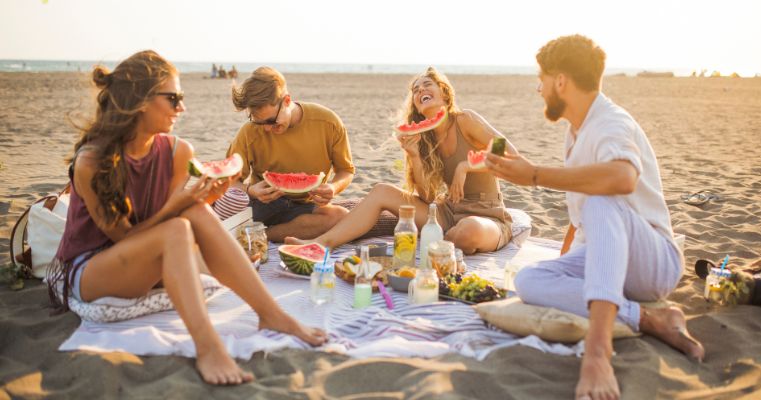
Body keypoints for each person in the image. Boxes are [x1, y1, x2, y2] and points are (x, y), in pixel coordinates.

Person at [48, 50, 326, 386]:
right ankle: (207, 346)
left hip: (146, 260)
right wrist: (176, 207)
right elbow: (124, 237)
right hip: (91, 269)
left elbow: (174, 219)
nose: (182, 108)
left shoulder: (178, 152)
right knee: (179, 225)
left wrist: (205, 199)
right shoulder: (92, 161)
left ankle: (271, 314)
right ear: (140, 101)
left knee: (192, 212)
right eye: (174, 98)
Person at [484, 35, 704, 400]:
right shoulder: (577, 131)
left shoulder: (611, 123)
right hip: (609, 255)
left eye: (542, 78)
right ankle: (650, 320)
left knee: (604, 200)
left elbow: (621, 179)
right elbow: (581, 217)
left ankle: (598, 354)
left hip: (654, 263)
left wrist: (535, 175)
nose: (538, 88)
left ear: (560, 81)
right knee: (529, 280)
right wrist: (565, 261)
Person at [287, 67, 516, 255]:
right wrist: (415, 155)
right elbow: (426, 197)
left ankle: (440, 240)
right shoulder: (424, 138)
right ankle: (321, 244)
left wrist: (465, 166)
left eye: (427, 85)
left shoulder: (465, 119)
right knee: (381, 190)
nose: (420, 90)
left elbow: (507, 149)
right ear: (416, 104)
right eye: (416, 90)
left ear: (444, 92)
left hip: (487, 214)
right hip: (447, 214)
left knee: (469, 231)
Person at [226, 66, 354, 242]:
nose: (267, 129)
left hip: (304, 207)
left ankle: (261, 236)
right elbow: (229, 181)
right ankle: (252, 233)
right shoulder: (249, 132)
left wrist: (333, 187)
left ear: (287, 100)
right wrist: (251, 190)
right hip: (261, 204)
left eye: (272, 121)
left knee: (340, 216)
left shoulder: (328, 123)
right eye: (259, 122)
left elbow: (345, 170)